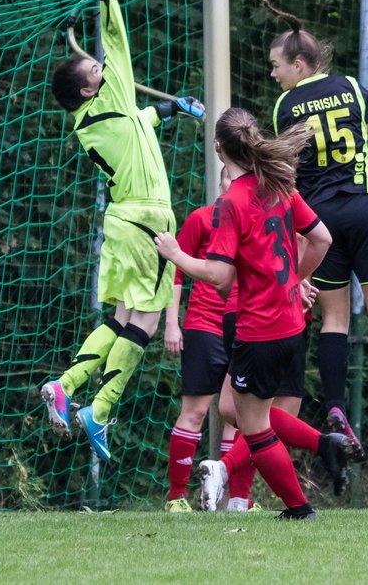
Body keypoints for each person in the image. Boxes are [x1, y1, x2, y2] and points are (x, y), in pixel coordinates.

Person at [40, 0, 205, 462]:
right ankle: (101, 407)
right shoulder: (107, 99)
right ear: (91, 87)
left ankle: (67, 386)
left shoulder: (97, 120)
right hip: (147, 218)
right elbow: (117, 38)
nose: (104, 66)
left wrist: (171, 110)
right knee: (148, 324)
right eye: (97, 68)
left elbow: (141, 123)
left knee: (122, 317)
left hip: (123, 221)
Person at [156, 108, 355, 520]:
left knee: (254, 425)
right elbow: (322, 238)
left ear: (218, 148)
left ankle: (300, 508)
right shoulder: (279, 186)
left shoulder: (234, 201)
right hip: (290, 324)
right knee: (244, 412)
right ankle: (322, 447)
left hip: (258, 328)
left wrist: (177, 255)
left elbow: (220, 274)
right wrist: (293, 280)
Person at [267, 11, 368, 458]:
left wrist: (295, 248)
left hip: (322, 223)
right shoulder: (351, 87)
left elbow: (286, 178)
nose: (273, 73)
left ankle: (334, 408)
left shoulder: (285, 107)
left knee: (335, 320)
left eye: (276, 65)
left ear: (299, 63)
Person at [162, 168, 241, 513]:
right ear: (220, 182)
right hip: (204, 325)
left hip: (244, 327)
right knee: (195, 410)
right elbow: (176, 270)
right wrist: (171, 323)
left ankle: (234, 497)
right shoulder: (201, 219)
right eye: (229, 179)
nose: (234, 186)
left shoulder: (252, 220)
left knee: (240, 413)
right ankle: (176, 497)